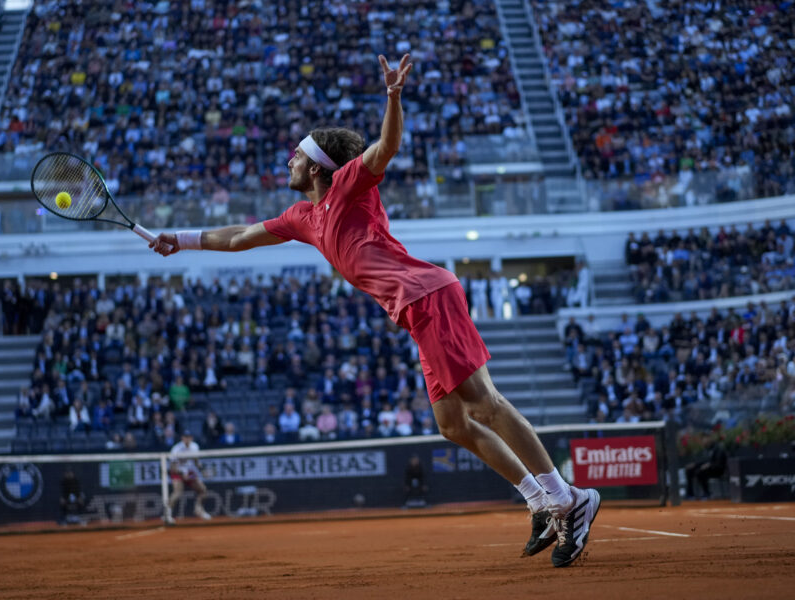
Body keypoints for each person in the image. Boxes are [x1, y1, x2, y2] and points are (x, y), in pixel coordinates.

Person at [150, 54, 599, 568]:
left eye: (295, 155)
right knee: (452, 423)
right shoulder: (302, 216)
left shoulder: (346, 185)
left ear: (317, 166)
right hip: (412, 311)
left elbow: (385, 149)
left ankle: (568, 498)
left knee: (485, 403)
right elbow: (237, 237)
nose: (287, 162)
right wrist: (179, 241)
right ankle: (539, 498)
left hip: (427, 294)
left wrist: (393, 97)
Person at [165, 431, 212, 524]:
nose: (187, 439)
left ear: (191, 438)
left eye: (189, 437)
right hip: (177, 472)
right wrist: (182, 474)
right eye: (185, 437)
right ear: (182, 438)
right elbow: (172, 467)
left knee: (203, 490)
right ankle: (167, 515)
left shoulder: (195, 447)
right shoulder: (176, 449)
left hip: (190, 472)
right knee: (177, 493)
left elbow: (196, 462)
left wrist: (202, 470)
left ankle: (199, 510)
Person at [684, 433, 728, 499]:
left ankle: (707, 493)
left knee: (700, 471)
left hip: (717, 470)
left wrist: (709, 465)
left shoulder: (718, 448)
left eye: (705, 438)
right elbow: (705, 461)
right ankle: (690, 493)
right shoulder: (707, 449)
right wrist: (695, 464)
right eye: (703, 439)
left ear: (710, 438)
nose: (704, 440)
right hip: (707, 469)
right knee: (689, 470)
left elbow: (719, 463)